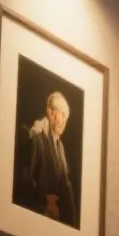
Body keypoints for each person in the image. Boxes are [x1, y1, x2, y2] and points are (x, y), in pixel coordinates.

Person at [14, 90, 78, 227]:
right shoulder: (37, 139)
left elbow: (65, 187)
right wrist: (44, 200)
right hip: (36, 218)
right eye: (63, 115)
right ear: (50, 113)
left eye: (67, 117)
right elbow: (25, 180)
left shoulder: (60, 146)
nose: (64, 121)